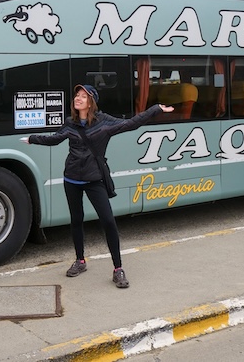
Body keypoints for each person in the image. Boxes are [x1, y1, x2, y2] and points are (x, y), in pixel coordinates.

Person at [26, 84, 173, 288]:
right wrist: (33, 139)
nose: (77, 99)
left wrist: (155, 109)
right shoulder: (70, 123)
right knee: (76, 220)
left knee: (108, 221)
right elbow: (55, 139)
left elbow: (131, 123)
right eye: (76, 95)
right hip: (71, 179)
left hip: (94, 179)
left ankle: (118, 269)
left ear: (91, 101)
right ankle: (80, 260)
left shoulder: (104, 123)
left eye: (83, 96)